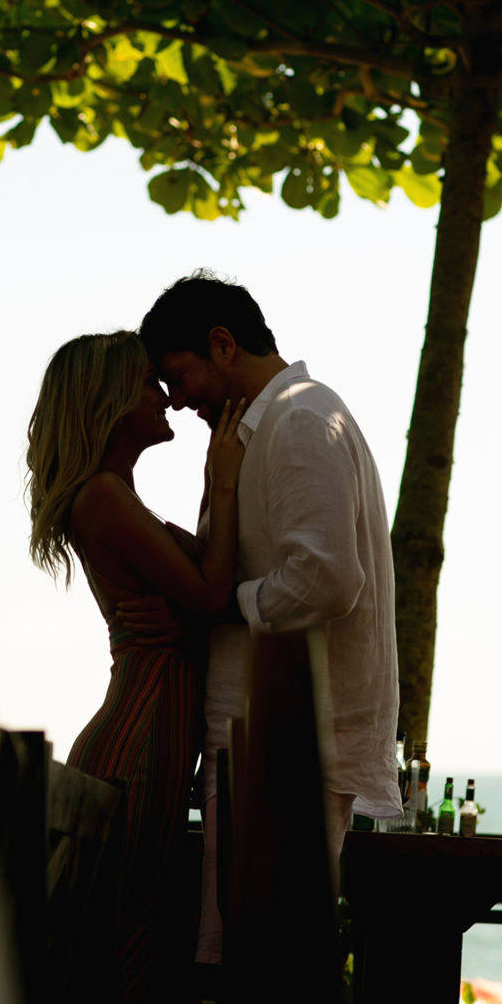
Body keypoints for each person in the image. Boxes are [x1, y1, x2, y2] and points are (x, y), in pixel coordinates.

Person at [138, 271, 402, 966]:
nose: (175, 397)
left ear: (221, 345)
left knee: (260, 963)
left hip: (289, 743)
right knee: (239, 954)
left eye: (178, 374)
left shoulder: (302, 420)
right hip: (263, 737)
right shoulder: (260, 428)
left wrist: (219, 600)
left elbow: (325, 578)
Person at [25, 330, 244, 1004]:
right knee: (130, 946)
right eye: (149, 387)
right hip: (140, 738)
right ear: (112, 402)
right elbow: (218, 590)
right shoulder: (104, 499)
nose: (167, 400)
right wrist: (219, 479)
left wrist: (185, 610)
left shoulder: (115, 499)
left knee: (135, 940)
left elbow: (209, 588)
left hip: (143, 727)